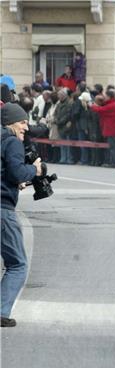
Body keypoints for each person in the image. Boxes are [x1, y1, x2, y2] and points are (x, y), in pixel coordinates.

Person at [1, 103, 42, 327]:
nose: (26, 127)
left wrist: (14, 182)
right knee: (17, 264)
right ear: (10, 123)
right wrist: (34, 171)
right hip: (2, 211)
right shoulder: (12, 142)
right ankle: (1, 312)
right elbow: (17, 171)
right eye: (23, 122)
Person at [90, 89, 115, 167]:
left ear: (109, 96)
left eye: (106, 96)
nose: (104, 97)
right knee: (112, 147)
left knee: (113, 147)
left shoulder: (112, 105)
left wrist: (92, 105)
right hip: (112, 128)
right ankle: (112, 161)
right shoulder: (114, 103)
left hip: (111, 129)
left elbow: (100, 109)